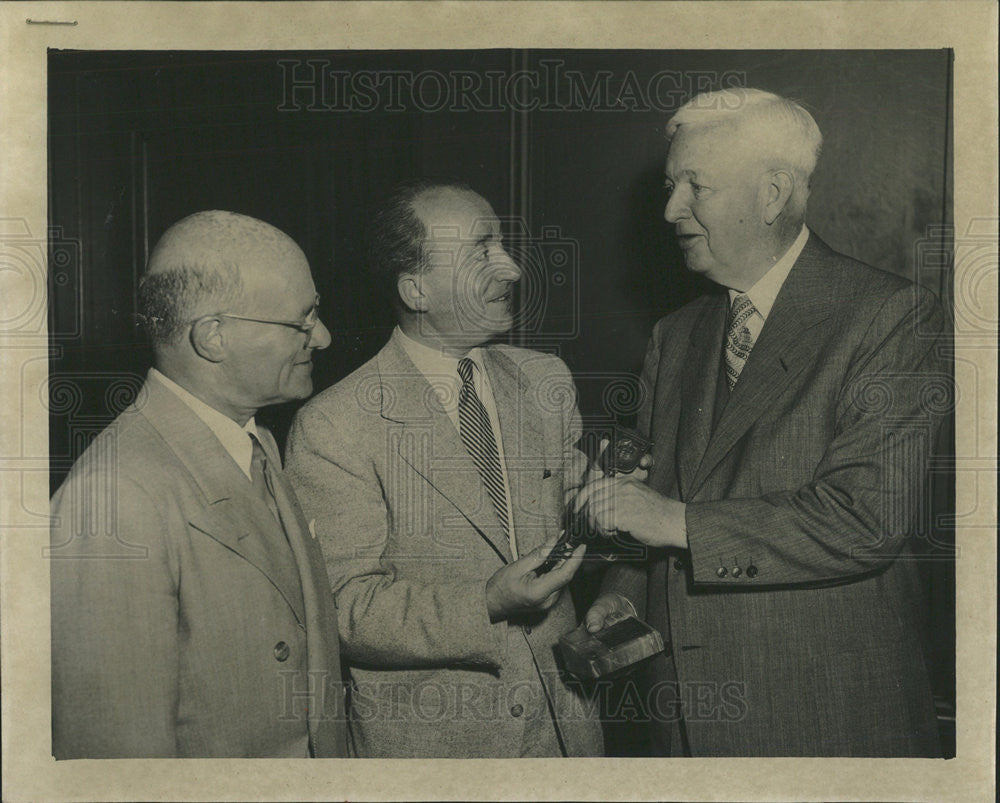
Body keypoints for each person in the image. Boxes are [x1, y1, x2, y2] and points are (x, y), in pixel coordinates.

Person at [578, 89, 947, 757]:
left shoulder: (889, 316)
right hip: (685, 719)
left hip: (824, 719)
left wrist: (674, 521)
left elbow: (863, 519)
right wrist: (623, 590)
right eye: (669, 186)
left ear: (773, 194)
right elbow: (655, 496)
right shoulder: (676, 335)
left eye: (695, 186)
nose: (670, 211)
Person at [285, 179, 604, 758]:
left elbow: (567, 512)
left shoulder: (544, 380)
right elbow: (344, 610)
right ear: (416, 289)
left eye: (502, 246)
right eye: (481, 252)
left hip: (567, 735)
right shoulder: (334, 426)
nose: (509, 270)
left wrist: (605, 505)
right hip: (441, 751)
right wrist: (486, 601)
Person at [50, 210, 348, 758]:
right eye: (301, 321)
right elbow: (117, 764)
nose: (322, 338)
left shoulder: (253, 442)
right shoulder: (115, 500)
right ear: (214, 337)